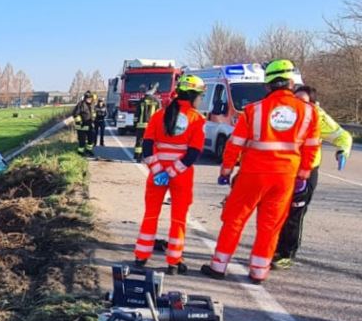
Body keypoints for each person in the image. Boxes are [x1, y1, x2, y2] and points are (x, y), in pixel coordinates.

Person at [201, 59, 321, 284]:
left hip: (252, 175)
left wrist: (226, 171)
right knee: (271, 225)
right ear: (291, 83)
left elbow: (234, 144)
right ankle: (258, 271)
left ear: (267, 86)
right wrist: (303, 176)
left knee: (234, 219)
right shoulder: (308, 112)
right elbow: (312, 148)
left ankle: (218, 266)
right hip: (286, 177)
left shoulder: (253, 110)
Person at [271, 85, 352, 270]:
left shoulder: (317, 116)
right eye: (296, 100)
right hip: (284, 171)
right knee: (276, 212)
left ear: (313, 104)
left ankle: (287, 254)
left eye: (303, 101)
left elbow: (342, 136)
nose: (299, 104)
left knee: (294, 214)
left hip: (306, 173)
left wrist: (342, 152)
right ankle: (273, 248)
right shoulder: (286, 113)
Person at [134, 75, 206, 275]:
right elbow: (193, 153)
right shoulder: (197, 119)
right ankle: (174, 261)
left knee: (150, 214)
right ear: (193, 96)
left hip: (157, 174)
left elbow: (147, 146)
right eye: (200, 96)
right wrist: (172, 172)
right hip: (181, 175)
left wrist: (159, 171)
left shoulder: (159, 115)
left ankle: (141, 255)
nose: (200, 100)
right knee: (179, 219)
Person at [133, 83, 161, 162]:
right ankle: (150, 158)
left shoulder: (142, 100)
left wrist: (135, 124)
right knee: (151, 142)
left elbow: (137, 114)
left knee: (139, 141)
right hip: (151, 126)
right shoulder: (157, 100)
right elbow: (159, 114)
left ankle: (138, 157)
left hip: (141, 125)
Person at [73, 90, 96, 156]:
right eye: (88, 98)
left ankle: (88, 150)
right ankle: (80, 152)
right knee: (82, 141)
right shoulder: (81, 105)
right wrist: (79, 121)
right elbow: (75, 114)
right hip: (82, 126)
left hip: (89, 125)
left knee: (91, 139)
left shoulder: (92, 105)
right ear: (85, 98)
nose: (89, 99)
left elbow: (93, 113)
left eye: (90, 98)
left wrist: (94, 119)